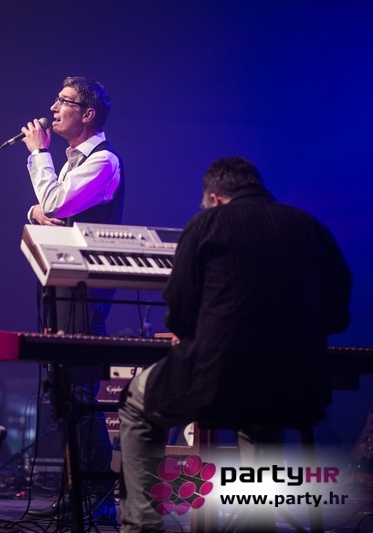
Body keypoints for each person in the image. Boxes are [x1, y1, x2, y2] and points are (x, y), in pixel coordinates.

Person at [118, 156, 352, 532]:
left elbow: (179, 314)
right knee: (263, 413)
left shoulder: (206, 225)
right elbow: (339, 314)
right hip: (298, 384)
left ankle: (143, 527)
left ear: (215, 198)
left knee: (135, 403)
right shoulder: (310, 226)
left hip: (216, 379)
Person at [19, 76, 124, 523]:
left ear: (88, 114)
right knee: (61, 391)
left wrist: (37, 155)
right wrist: (37, 209)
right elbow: (45, 209)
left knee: (78, 389)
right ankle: (74, 491)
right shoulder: (73, 163)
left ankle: (97, 497)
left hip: (85, 287)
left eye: (65, 101)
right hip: (61, 281)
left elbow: (55, 204)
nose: (54, 108)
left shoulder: (103, 161)